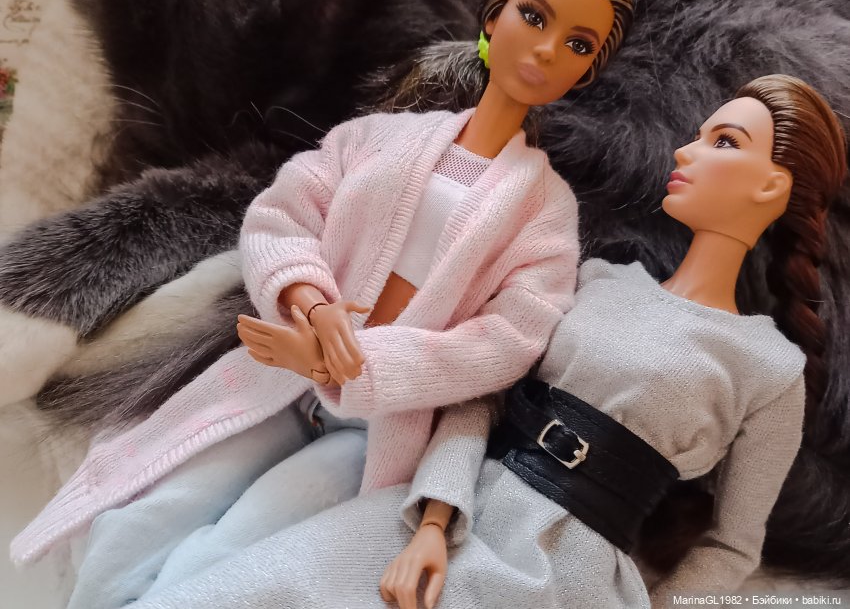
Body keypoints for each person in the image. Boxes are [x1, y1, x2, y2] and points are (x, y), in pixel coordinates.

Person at [10, 0, 634, 609]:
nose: (546, 49)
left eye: (578, 44)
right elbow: (281, 216)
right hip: (274, 376)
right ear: (494, 17)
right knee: (142, 519)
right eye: (534, 16)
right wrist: (310, 301)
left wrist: (357, 364)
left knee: (229, 555)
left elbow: (506, 342)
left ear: (586, 72)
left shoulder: (546, 212)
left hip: (379, 429)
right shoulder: (373, 139)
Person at [112, 74, 846, 609]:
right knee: (237, 589)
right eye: (700, 133)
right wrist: (435, 519)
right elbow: (486, 397)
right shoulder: (599, 279)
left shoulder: (770, 367)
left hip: (573, 577)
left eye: (724, 142)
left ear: (771, 188)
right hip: (456, 514)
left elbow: (733, 547)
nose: (685, 151)